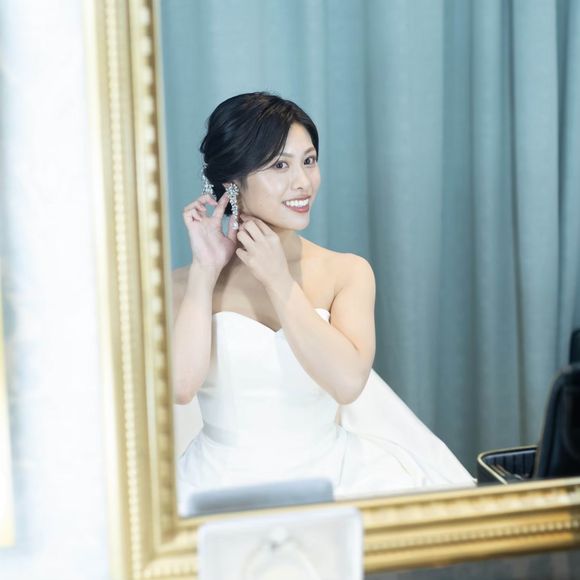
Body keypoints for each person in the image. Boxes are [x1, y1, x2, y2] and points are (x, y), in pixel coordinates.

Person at [173, 92, 473, 514]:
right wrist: (204, 273)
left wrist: (280, 282)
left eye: (309, 161)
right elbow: (181, 387)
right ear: (232, 181)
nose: (303, 182)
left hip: (337, 480)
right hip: (215, 485)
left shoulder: (347, 272)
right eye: (280, 165)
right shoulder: (182, 285)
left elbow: (347, 384)